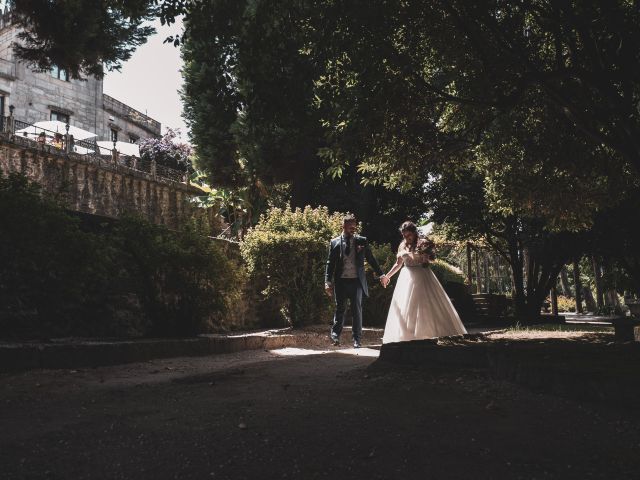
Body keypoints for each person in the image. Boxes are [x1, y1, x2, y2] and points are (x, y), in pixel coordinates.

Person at [380, 221, 467, 343]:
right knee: (406, 306)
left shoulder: (423, 244)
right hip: (406, 278)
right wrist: (387, 276)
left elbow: (427, 264)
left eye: (408, 235)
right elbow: (398, 263)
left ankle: (428, 333)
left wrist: (426, 258)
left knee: (425, 304)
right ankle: (407, 335)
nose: (406, 238)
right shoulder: (401, 245)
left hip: (422, 276)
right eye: (404, 235)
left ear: (414, 233)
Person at [325, 214, 386, 348]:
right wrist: (327, 281)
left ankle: (357, 340)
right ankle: (335, 336)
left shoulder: (362, 241)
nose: (353, 229)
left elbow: (371, 259)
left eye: (354, 226)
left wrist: (381, 274)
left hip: (356, 281)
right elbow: (330, 263)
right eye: (350, 226)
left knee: (356, 310)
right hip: (341, 281)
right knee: (340, 309)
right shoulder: (334, 242)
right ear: (343, 226)